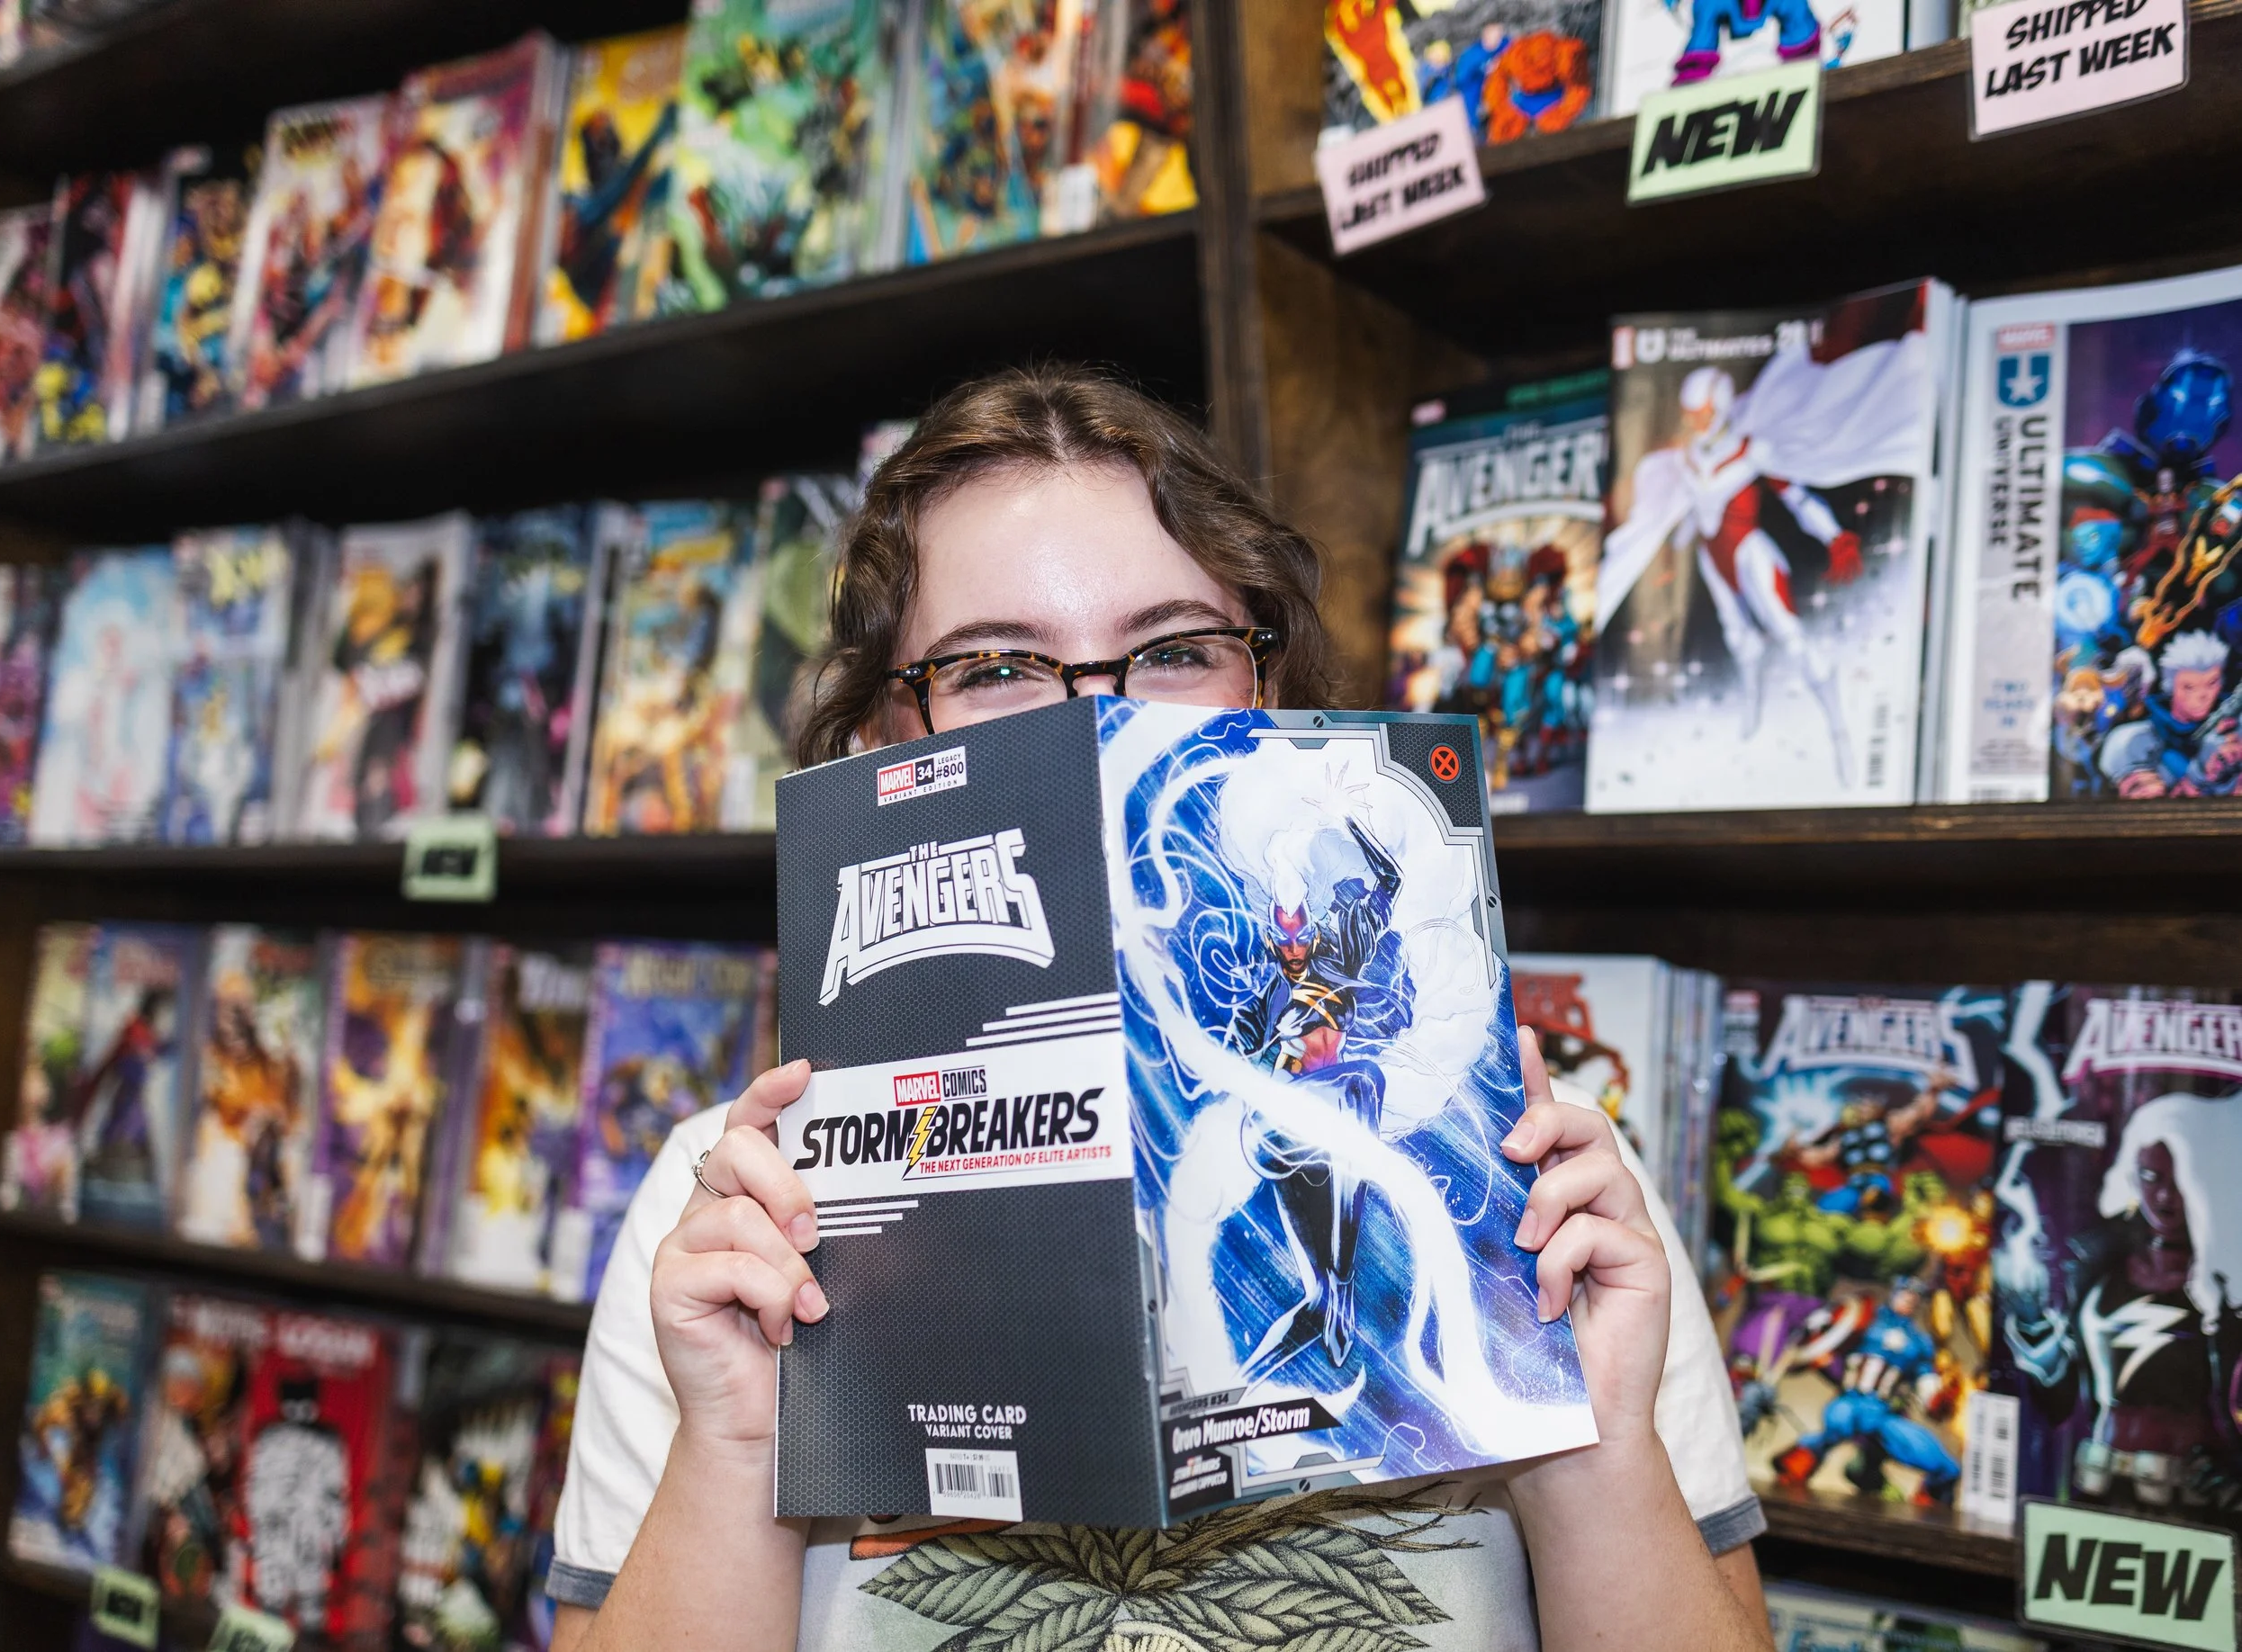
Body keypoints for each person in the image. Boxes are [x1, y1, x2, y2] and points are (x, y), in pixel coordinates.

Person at [545, 364, 1773, 1652]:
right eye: (997, 665)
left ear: (1274, 695)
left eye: (1175, 650)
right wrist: (739, 1447)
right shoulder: (730, 1217)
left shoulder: (1539, 1179)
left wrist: (1584, 1435)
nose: (1103, 722)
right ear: (876, 746)